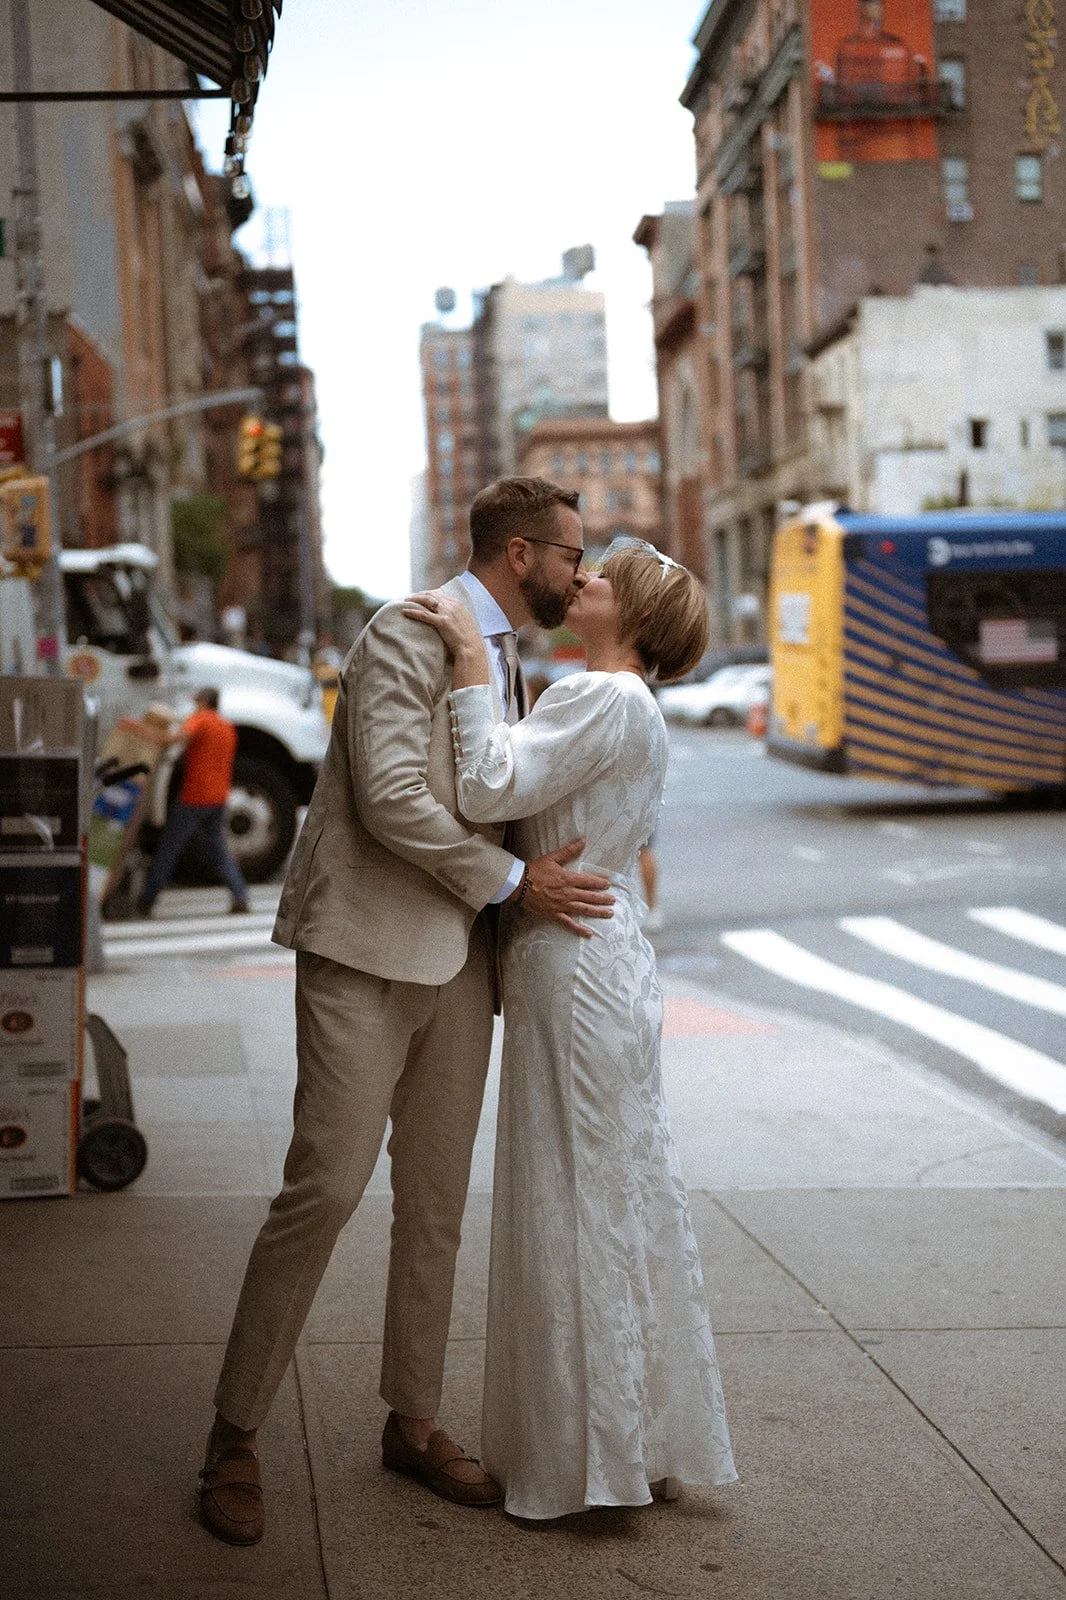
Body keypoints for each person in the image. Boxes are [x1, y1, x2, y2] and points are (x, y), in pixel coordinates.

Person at [198, 477, 614, 1545]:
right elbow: (389, 797)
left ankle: (413, 1419)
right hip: (364, 952)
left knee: (433, 1207)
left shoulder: (509, 656)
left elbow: (493, 787)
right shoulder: (403, 631)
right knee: (323, 1189)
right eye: (571, 553)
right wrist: (517, 885)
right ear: (521, 555)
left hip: (462, 968)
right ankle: (234, 1433)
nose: (580, 570)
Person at [404, 537, 737, 1520]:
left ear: (631, 616)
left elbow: (487, 788)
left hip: (576, 962)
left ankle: (593, 1456)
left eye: (605, 577)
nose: (583, 577)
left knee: (573, 1192)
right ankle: (635, 1439)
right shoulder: (626, 703)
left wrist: (470, 665)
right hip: (603, 952)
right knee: (618, 1188)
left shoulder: (604, 695)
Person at [133, 687, 249, 917]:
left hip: (195, 796)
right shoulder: (227, 727)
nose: (194, 705)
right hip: (218, 797)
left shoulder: (201, 720)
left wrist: (140, 731)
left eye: (196, 701)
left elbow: (171, 741)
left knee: (169, 848)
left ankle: (146, 900)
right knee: (218, 850)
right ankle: (240, 895)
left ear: (205, 701)